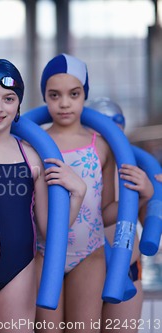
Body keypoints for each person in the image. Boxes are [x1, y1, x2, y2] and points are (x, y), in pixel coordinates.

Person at [35, 54, 153, 333]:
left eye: (73, 94)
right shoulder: (34, 142)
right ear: (44, 96)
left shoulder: (100, 146)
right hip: (43, 251)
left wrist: (145, 195)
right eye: (55, 95)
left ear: (84, 94)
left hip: (89, 254)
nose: (64, 103)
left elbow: (105, 211)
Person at [0, 59, 86, 332]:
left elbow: (48, 228)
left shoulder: (31, 156)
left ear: (19, 104)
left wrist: (77, 193)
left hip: (19, 268)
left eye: (8, 99)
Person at [88, 97, 155, 333]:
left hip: (128, 271)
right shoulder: (82, 165)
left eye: (114, 125)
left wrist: (149, 194)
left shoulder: (137, 171)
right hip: (85, 269)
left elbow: (151, 228)